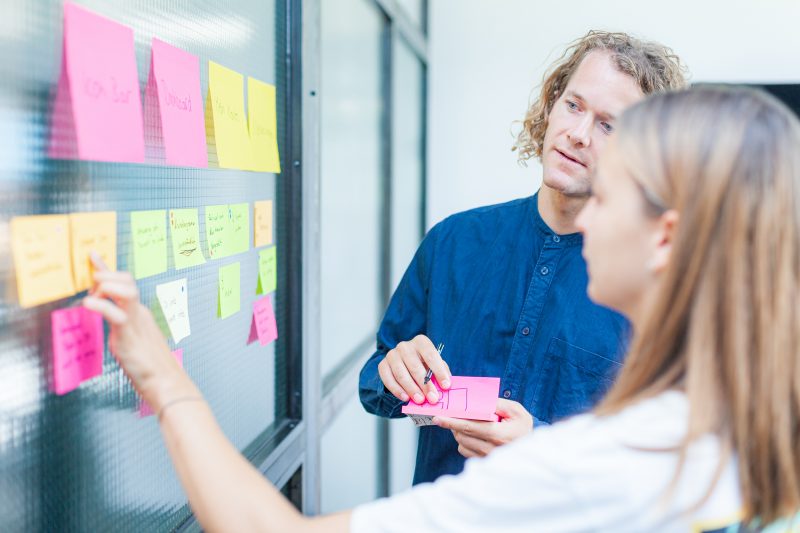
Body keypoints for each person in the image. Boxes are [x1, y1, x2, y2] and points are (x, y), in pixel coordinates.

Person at [86, 86, 800, 531]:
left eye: (610, 195)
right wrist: (395, 370)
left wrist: (163, 376)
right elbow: (379, 373)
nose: (586, 223)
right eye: (573, 105)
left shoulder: (600, 464)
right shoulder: (727, 425)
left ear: (666, 237)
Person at [358, 30, 687, 483]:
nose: (578, 135)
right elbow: (374, 383)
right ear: (552, 103)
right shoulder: (453, 241)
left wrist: (543, 446)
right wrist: (394, 371)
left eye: (608, 125)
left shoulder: (649, 287)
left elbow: (667, 465)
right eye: (573, 106)